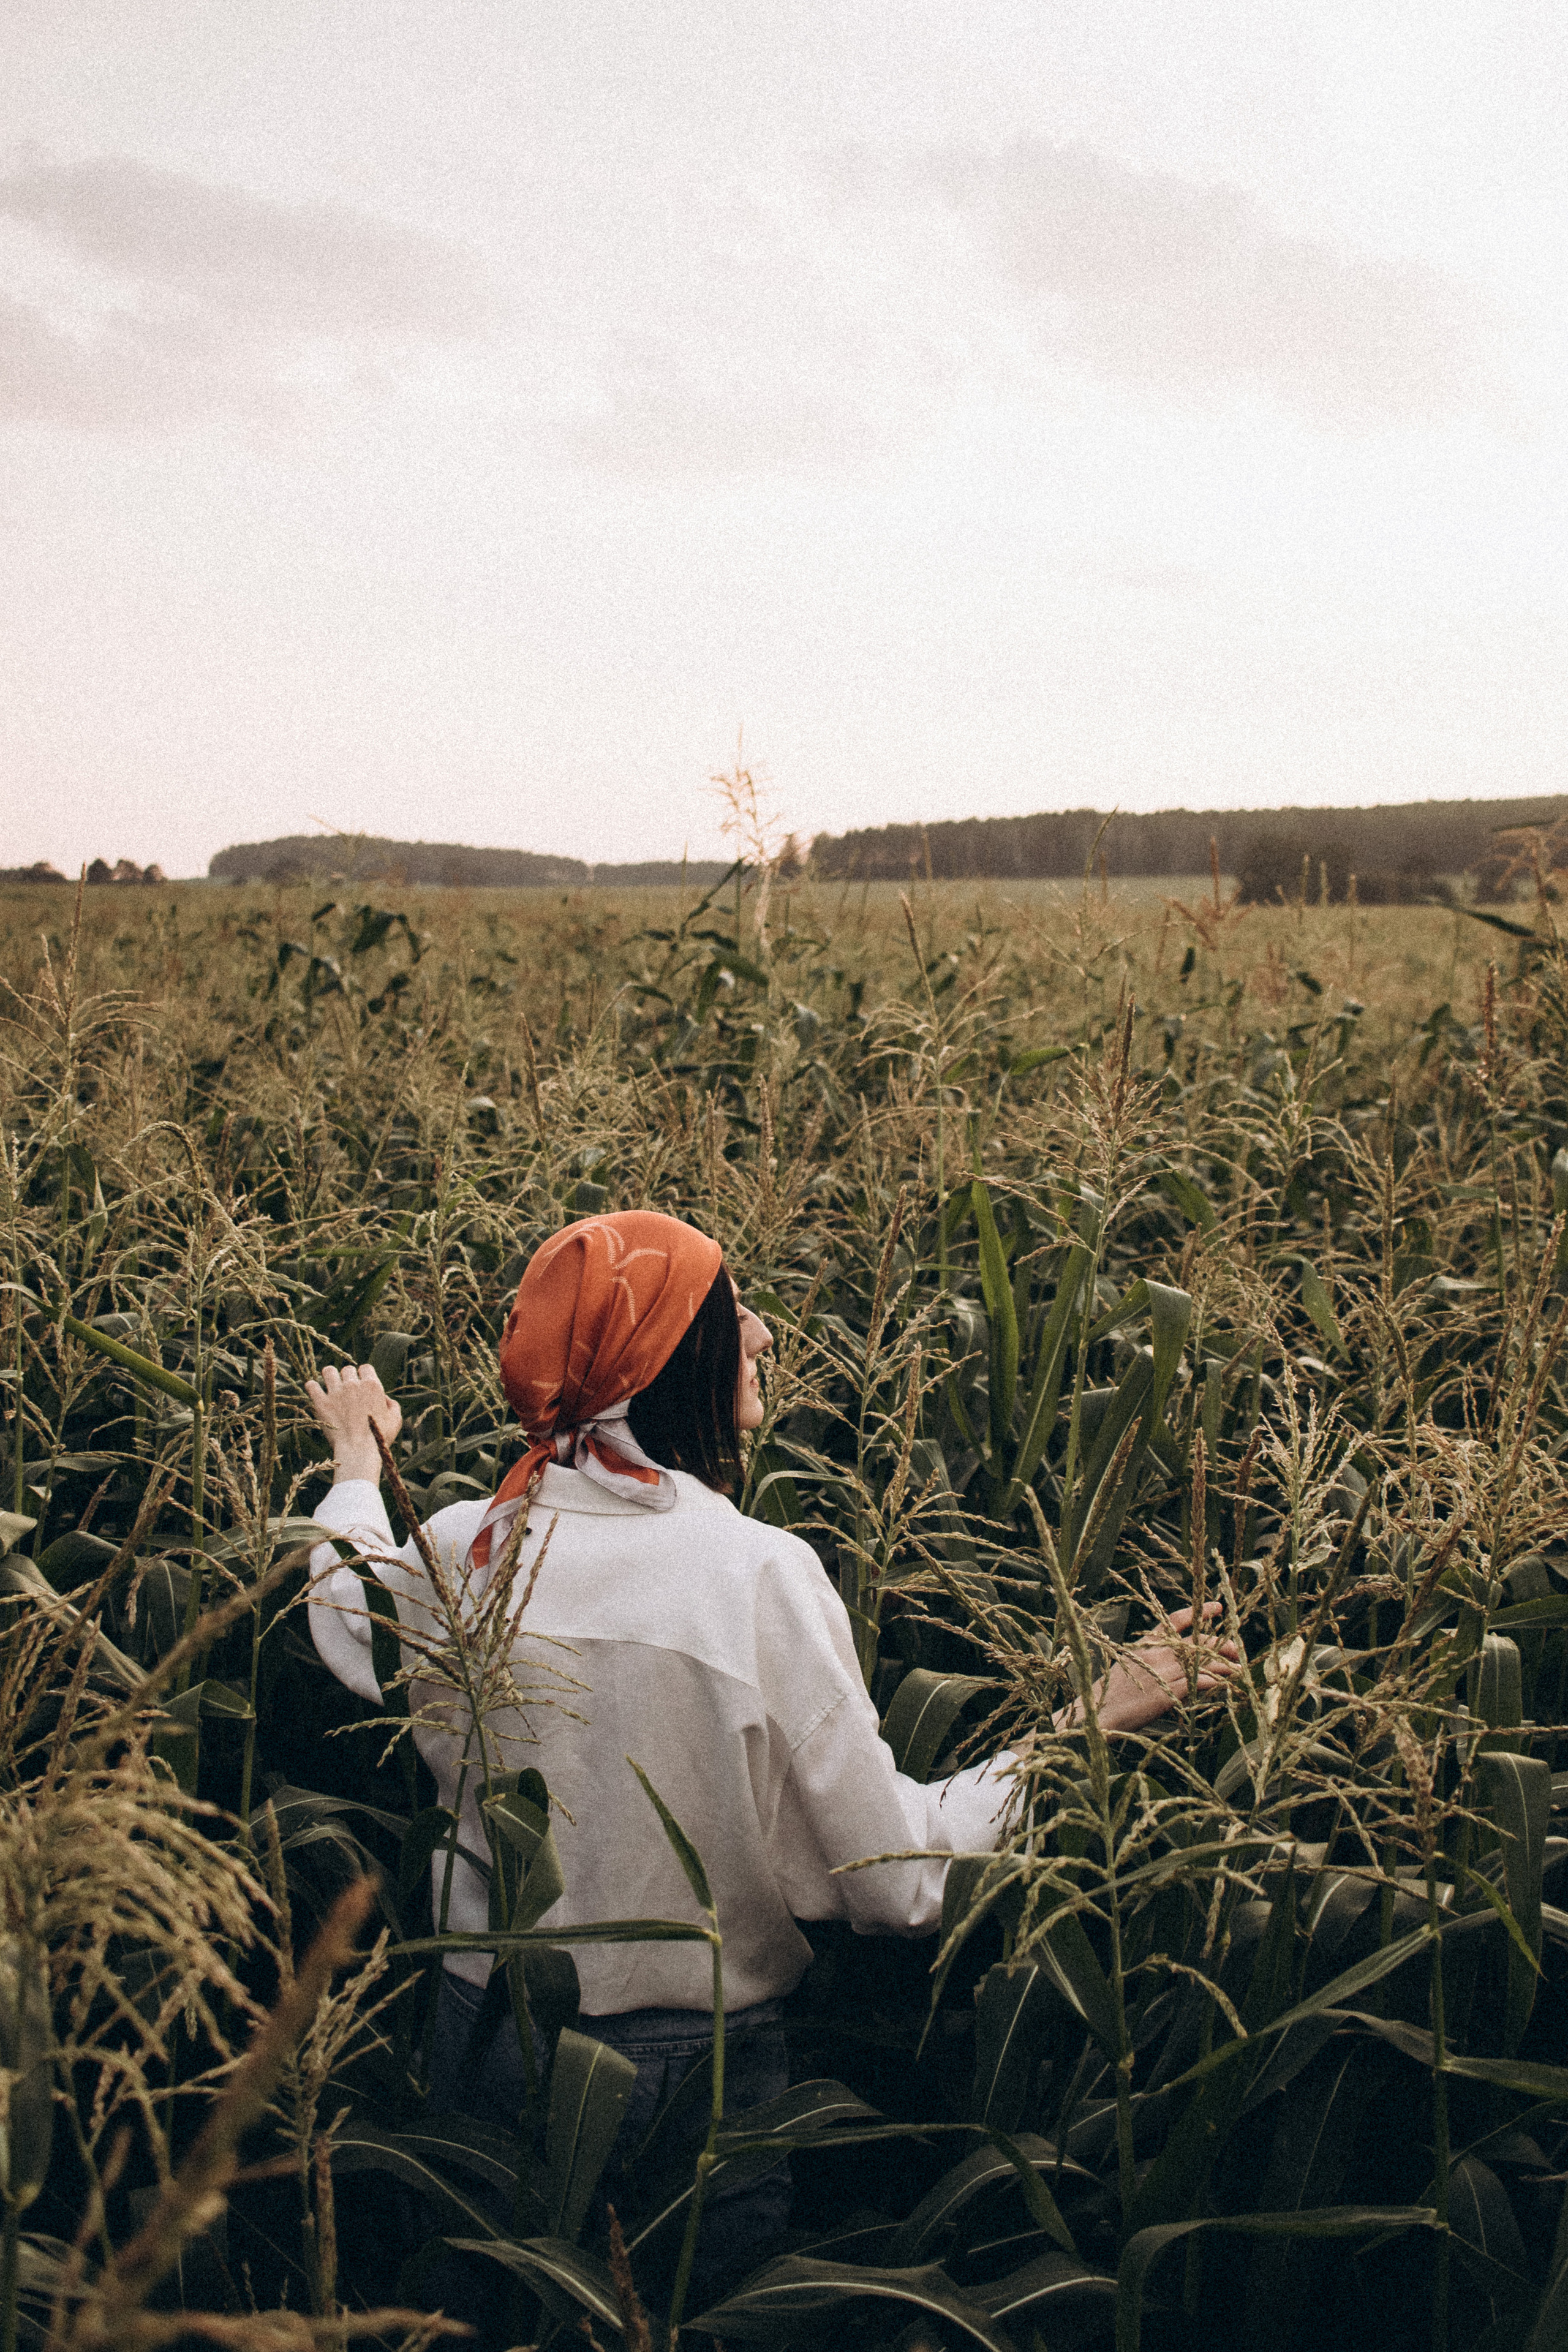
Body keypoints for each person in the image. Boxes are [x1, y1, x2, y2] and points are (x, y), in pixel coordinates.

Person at [305, 1210, 1233, 2327]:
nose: (762, 1330)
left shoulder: (470, 1550)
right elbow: (897, 1877)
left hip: (486, 2038)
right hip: (694, 2078)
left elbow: (345, 1606)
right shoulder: (756, 1576)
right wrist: (1095, 1715)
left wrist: (360, 1462)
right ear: (662, 1358)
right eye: (727, 1310)